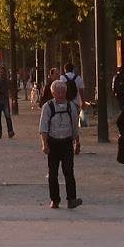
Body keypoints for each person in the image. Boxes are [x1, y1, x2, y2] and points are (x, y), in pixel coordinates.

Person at [39, 78, 82, 209]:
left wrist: (77, 143)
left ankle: (71, 199)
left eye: (63, 92)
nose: (61, 94)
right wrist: (44, 144)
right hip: (53, 142)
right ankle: (55, 199)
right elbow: (43, 127)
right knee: (53, 173)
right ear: (53, 93)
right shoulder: (48, 107)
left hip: (67, 142)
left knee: (69, 171)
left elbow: (75, 126)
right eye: (58, 92)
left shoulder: (71, 106)